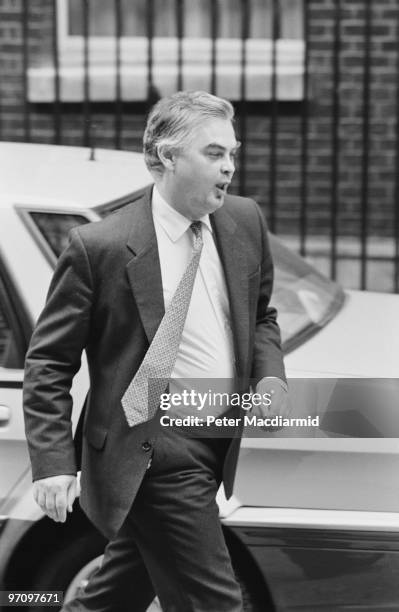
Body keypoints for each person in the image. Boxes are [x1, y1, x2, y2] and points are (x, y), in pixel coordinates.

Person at [23, 90, 289, 612]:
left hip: (219, 432)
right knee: (215, 601)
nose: (230, 168)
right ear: (166, 157)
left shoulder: (243, 220)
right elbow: (49, 363)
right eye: (214, 154)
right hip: (152, 443)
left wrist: (270, 378)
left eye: (233, 154)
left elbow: (261, 317)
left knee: (115, 593)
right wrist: (53, 462)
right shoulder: (98, 247)